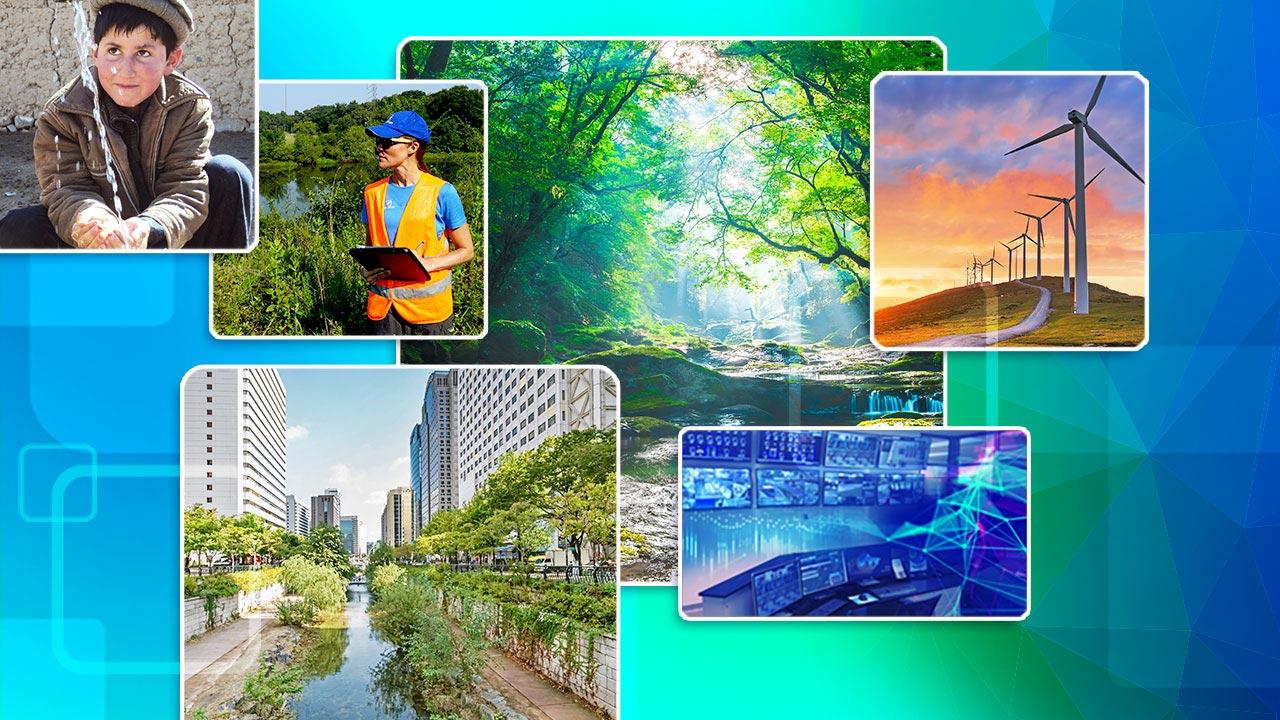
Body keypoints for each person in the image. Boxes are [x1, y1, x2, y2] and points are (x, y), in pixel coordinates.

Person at [0, 0, 253, 250]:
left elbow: (185, 185)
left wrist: (149, 226)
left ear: (171, 60)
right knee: (19, 226)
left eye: (143, 53)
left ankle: (217, 281)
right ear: (94, 52)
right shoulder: (63, 114)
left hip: (165, 240)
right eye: (113, 51)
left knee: (229, 174)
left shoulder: (188, 108)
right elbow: (65, 188)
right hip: (100, 246)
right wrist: (89, 217)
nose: (125, 69)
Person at [360, 109, 475, 336]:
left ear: (413, 147)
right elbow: (370, 249)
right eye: (378, 141)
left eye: (387, 141)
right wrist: (366, 269)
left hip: (429, 314)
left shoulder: (442, 192)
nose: (379, 148)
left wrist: (426, 264)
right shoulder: (371, 193)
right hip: (383, 312)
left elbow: (467, 250)